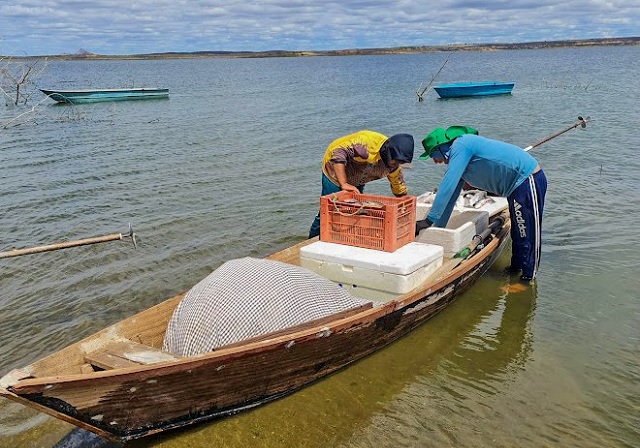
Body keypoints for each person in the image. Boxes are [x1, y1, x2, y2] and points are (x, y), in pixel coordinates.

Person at [416, 126, 547, 282]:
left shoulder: (461, 145)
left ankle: (528, 279)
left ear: (440, 147)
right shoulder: (459, 158)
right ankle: (515, 270)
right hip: (514, 188)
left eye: (433, 155)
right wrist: (436, 231)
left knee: (527, 232)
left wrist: (428, 220)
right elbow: (450, 197)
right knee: (518, 232)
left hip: (526, 179)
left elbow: (447, 185)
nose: (435, 161)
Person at [308, 131, 414, 238]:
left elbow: (398, 185)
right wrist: (344, 183)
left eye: (399, 163)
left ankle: (343, 236)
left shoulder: (394, 166)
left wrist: (403, 203)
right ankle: (312, 240)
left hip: (358, 175)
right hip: (335, 170)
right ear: (388, 153)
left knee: (355, 208)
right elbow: (338, 153)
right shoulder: (365, 144)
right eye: (395, 162)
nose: (396, 165)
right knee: (328, 210)